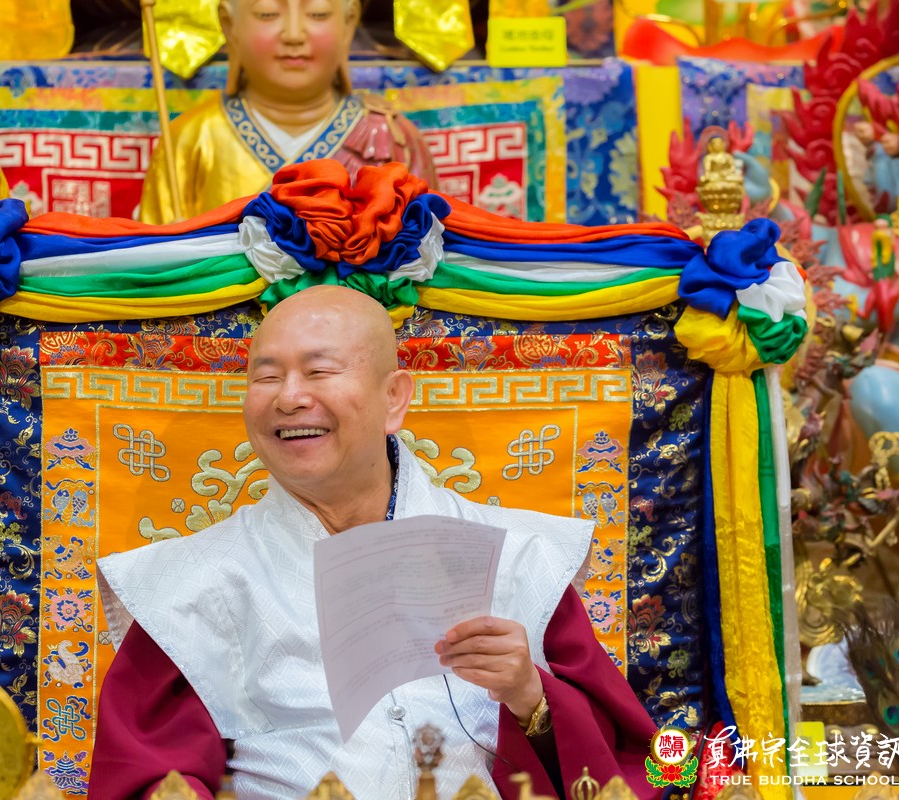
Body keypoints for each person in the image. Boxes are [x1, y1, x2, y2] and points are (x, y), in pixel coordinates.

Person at [92, 286, 659, 800]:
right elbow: (153, 775)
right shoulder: (191, 586)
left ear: (394, 398)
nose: (289, 397)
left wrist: (530, 697)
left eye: (319, 371)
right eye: (266, 377)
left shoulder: (517, 557)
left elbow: (630, 770)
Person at [139, 0, 437, 224]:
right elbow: (153, 263)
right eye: (267, 13)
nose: (294, 35)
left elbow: (433, 254)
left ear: (349, 22)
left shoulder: (391, 138)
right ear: (229, 25)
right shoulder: (191, 138)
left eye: (318, 13)